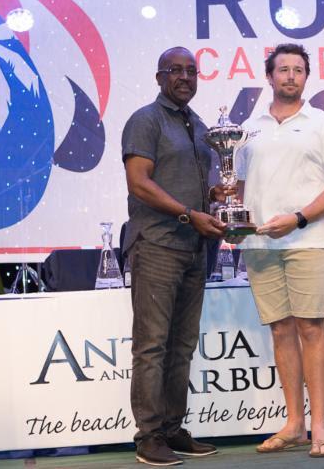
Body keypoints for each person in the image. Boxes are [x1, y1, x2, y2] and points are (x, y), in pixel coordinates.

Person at [233, 43, 324, 458]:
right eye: (282, 69)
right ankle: (294, 423)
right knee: (281, 330)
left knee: (310, 329)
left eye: (297, 70)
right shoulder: (249, 128)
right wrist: (230, 214)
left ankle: (320, 425)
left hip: (307, 241)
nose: (290, 76)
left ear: (306, 77)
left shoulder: (323, 123)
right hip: (260, 244)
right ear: (268, 76)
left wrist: (299, 218)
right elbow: (239, 189)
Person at [122, 46, 231, 466]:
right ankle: (149, 437)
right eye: (175, 70)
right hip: (158, 245)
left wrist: (216, 196)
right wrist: (189, 214)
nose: (184, 77)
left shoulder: (199, 126)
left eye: (191, 70)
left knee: (182, 347)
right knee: (151, 347)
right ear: (159, 76)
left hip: (195, 248)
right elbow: (139, 183)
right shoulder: (145, 120)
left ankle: (172, 429)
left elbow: (197, 184)